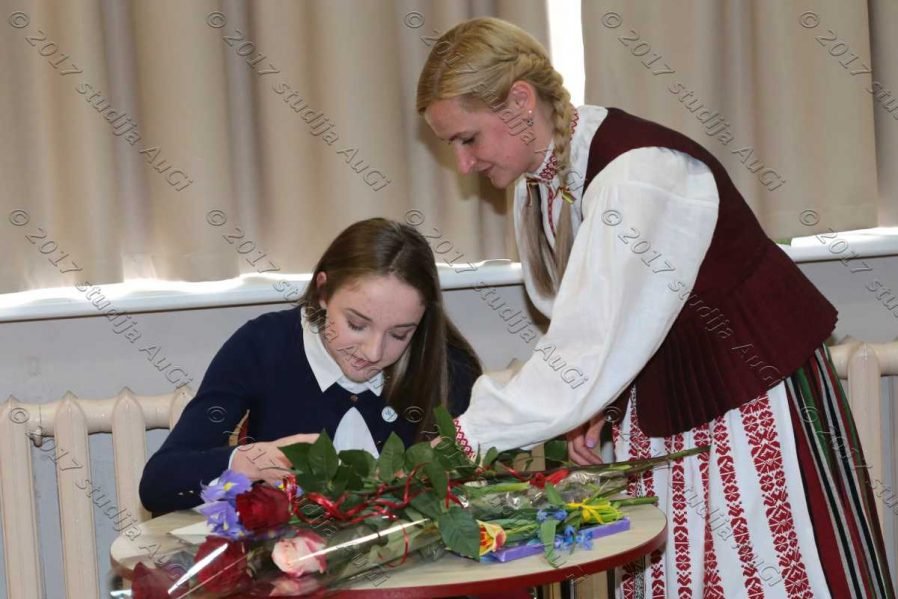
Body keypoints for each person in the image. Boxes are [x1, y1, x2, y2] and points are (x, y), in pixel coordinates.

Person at [416, 17, 895, 599]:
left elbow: (588, 346)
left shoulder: (637, 177)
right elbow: (604, 322)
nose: (463, 164)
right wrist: (599, 399)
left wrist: (465, 436)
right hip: (676, 404)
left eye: (467, 139)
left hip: (746, 399)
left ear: (520, 101)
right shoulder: (539, 185)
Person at [140, 218, 481, 514]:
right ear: (322, 291)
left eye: (399, 334)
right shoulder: (264, 345)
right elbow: (159, 484)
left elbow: (482, 500)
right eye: (357, 324)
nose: (374, 351)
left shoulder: (448, 367)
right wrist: (248, 461)